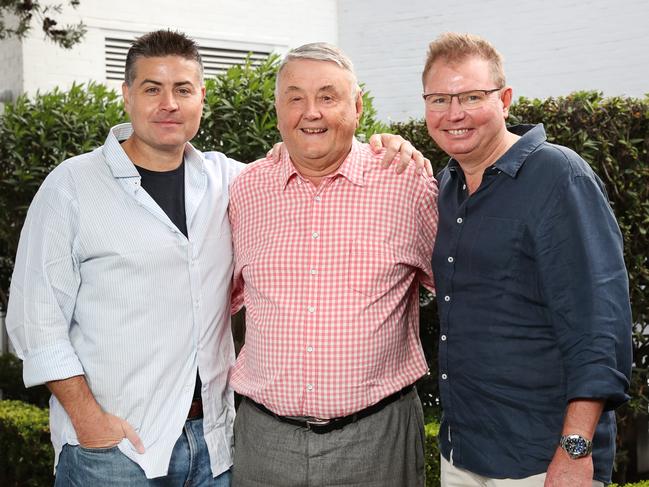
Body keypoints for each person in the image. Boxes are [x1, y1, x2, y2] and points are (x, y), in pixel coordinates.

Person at [5, 30, 424, 486]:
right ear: (127, 96)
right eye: (152, 89)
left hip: (214, 447)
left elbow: (309, 157)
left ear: (201, 97)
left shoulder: (232, 182)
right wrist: (89, 422)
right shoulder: (73, 187)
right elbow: (36, 322)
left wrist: (390, 146)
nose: (169, 103)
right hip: (115, 451)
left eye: (183, 89)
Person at [423, 33, 632, 487]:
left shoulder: (558, 176)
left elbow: (600, 326)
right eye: (439, 98)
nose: (454, 113)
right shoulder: (447, 186)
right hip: (464, 454)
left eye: (472, 96)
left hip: (542, 459)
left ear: (505, 100)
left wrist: (575, 450)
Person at [228, 42, 438, 487]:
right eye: (296, 97)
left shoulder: (406, 183)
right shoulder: (243, 191)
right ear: (279, 109)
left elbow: (468, 291)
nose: (311, 112)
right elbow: (214, 298)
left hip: (378, 439)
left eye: (327, 96)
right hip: (264, 443)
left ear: (358, 106)